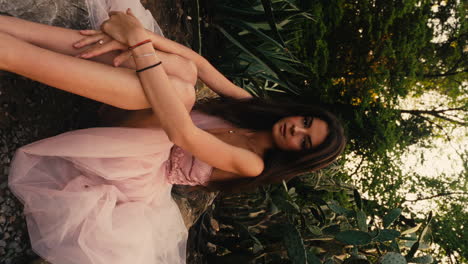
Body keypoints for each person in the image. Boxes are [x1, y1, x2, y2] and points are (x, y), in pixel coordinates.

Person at [1, 1, 346, 263]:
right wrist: (143, 37)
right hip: (129, 109)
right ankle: (11, 32)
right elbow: (200, 65)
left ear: (298, 155)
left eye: (304, 140)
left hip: (127, 165)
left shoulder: (252, 164)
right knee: (183, 72)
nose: (295, 128)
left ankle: (13, 55)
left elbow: (183, 134)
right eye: (305, 121)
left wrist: (138, 44)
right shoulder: (251, 110)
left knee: (182, 94)